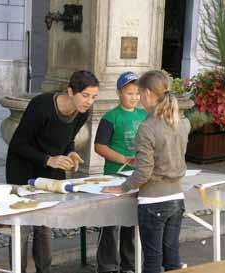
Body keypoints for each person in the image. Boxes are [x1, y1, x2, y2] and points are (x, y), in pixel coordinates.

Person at [5, 70, 99, 273]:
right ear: (70, 91)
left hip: (51, 171)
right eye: (85, 95)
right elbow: (18, 144)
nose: (89, 101)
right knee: (22, 227)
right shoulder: (41, 105)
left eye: (93, 97)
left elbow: (69, 138)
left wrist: (71, 152)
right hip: (22, 169)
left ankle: (44, 270)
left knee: (45, 226)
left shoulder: (83, 112)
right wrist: (49, 159)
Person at [102, 70, 191, 273]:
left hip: (153, 200)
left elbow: (143, 172)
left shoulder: (148, 127)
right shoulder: (181, 122)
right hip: (177, 197)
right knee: (172, 259)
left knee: (152, 261)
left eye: (140, 94)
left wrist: (122, 188)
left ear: (149, 93)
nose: (139, 99)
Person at [94, 71, 147, 273]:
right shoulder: (110, 117)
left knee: (131, 222)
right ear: (118, 93)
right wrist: (124, 159)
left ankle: (129, 265)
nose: (133, 97)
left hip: (138, 176)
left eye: (137, 93)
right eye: (129, 92)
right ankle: (107, 266)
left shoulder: (144, 115)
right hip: (114, 175)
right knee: (109, 222)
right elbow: (100, 146)